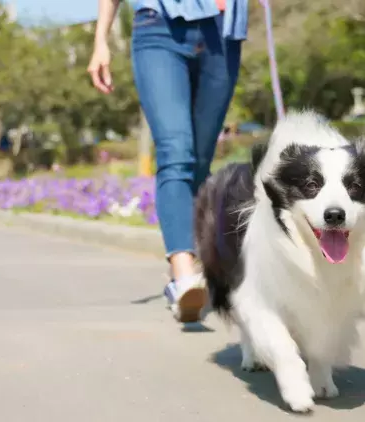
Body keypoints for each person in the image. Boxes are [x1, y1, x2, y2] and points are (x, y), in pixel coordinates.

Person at [88, 0, 248, 323]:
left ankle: (189, 261)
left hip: (222, 31)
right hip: (159, 26)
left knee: (200, 162)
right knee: (176, 152)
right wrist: (100, 40)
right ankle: (184, 276)